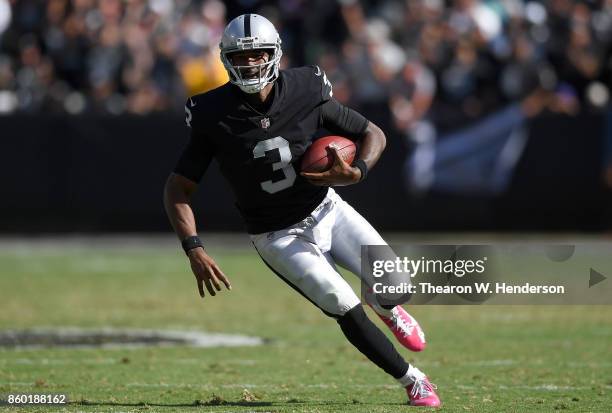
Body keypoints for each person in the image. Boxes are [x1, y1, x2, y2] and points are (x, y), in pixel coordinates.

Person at [163, 14, 440, 407]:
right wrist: (193, 247)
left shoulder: (306, 87)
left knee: (397, 285)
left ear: (275, 54)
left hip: (327, 208)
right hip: (277, 234)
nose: (251, 64)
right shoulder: (212, 112)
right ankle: (413, 380)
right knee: (341, 302)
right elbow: (177, 187)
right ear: (225, 60)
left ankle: (387, 307)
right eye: (241, 58)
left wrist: (357, 171)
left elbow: (371, 133)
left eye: (259, 54)